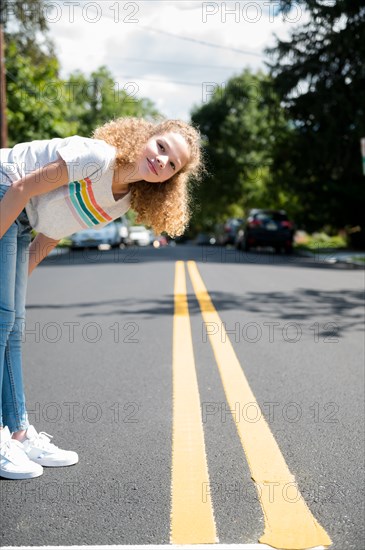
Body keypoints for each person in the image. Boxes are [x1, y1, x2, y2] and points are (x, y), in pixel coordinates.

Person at [0, 116, 203, 479]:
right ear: (145, 136)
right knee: (1, 319)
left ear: (172, 178)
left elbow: (49, 237)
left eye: (172, 164)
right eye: (161, 147)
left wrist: (15, 294)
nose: (162, 161)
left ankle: (17, 432)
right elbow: (20, 189)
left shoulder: (121, 203)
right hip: (5, 186)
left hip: (23, 218)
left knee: (14, 323)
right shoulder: (95, 158)